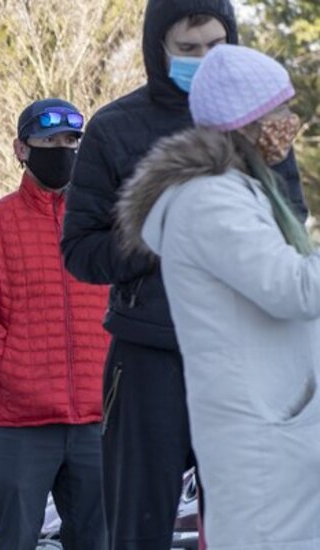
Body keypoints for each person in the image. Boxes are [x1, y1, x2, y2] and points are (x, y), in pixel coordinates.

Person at [59, 2, 306, 548]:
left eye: (217, 46)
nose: (204, 60)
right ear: (158, 48)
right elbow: (80, 251)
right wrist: (166, 234)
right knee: (138, 524)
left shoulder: (258, 123)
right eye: (188, 49)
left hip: (245, 355)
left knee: (254, 522)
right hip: (149, 355)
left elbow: (292, 224)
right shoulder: (116, 128)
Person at [116, 44, 317, 550]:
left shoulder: (237, 191)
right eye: (277, 111)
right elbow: (292, 288)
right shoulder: (210, 201)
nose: (286, 123)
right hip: (259, 435)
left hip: (275, 421)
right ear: (246, 122)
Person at [0, 99, 110, 550]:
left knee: (98, 541)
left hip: (96, 421)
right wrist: (14, 369)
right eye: (48, 142)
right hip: (20, 423)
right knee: (15, 540)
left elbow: (130, 297)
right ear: (22, 149)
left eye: (70, 141)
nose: (62, 150)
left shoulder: (104, 222)